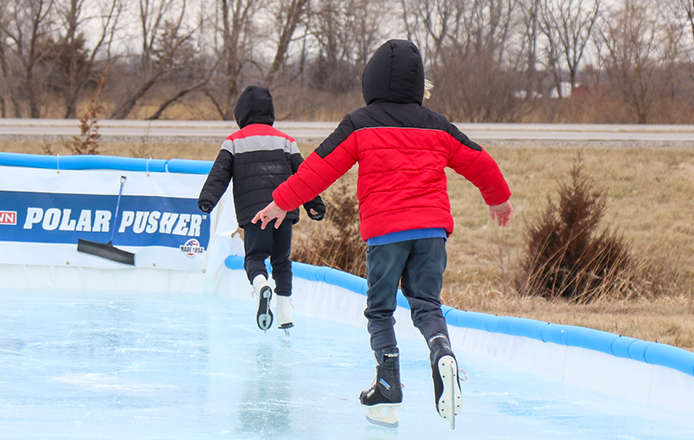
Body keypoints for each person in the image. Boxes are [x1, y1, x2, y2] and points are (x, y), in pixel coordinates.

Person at [251, 40, 514, 429]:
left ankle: (388, 383)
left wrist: (280, 201)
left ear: (370, 80)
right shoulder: (437, 125)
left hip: (387, 234)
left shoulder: (359, 123)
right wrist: (498, 199)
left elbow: (319, 168)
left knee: (380, 310)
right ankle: (441, 350)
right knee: (426, 303)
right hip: (431, 233)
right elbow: (480, 161)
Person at [198, 85, 326, 333]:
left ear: (241, 114)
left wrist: (207, 199)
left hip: (254, 213)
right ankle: (284, 311)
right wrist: (314, 204)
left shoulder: (234, 142)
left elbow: (218, 175)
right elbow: (303, 174)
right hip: (284, 209)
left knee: (255, 258)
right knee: (281, 260)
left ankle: (260, 287)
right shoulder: (286, 140)